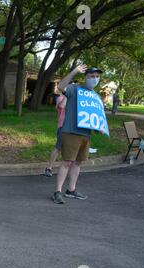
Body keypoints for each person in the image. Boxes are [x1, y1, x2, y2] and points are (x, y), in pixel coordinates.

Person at [52, 65, 104, 204]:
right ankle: (57, 191)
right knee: (67, 162)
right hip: (70, 131)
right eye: (92, 76)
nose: (95, 79)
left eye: (97, 76)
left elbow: (95, 116)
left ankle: (71, 190)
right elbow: (61, 87)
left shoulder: (96, 97)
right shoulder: (75, 89)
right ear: (85, 77)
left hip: (85, 134)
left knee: (78, 163)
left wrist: (99, 127)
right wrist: (74, 71)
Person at [44, 93, 67, 177]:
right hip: (63, 126)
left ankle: (67, 169)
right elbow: (61, 106)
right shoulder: (60, 98)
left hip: (73, 127)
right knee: (58, 147)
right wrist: (67, 96)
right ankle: (48, 168)